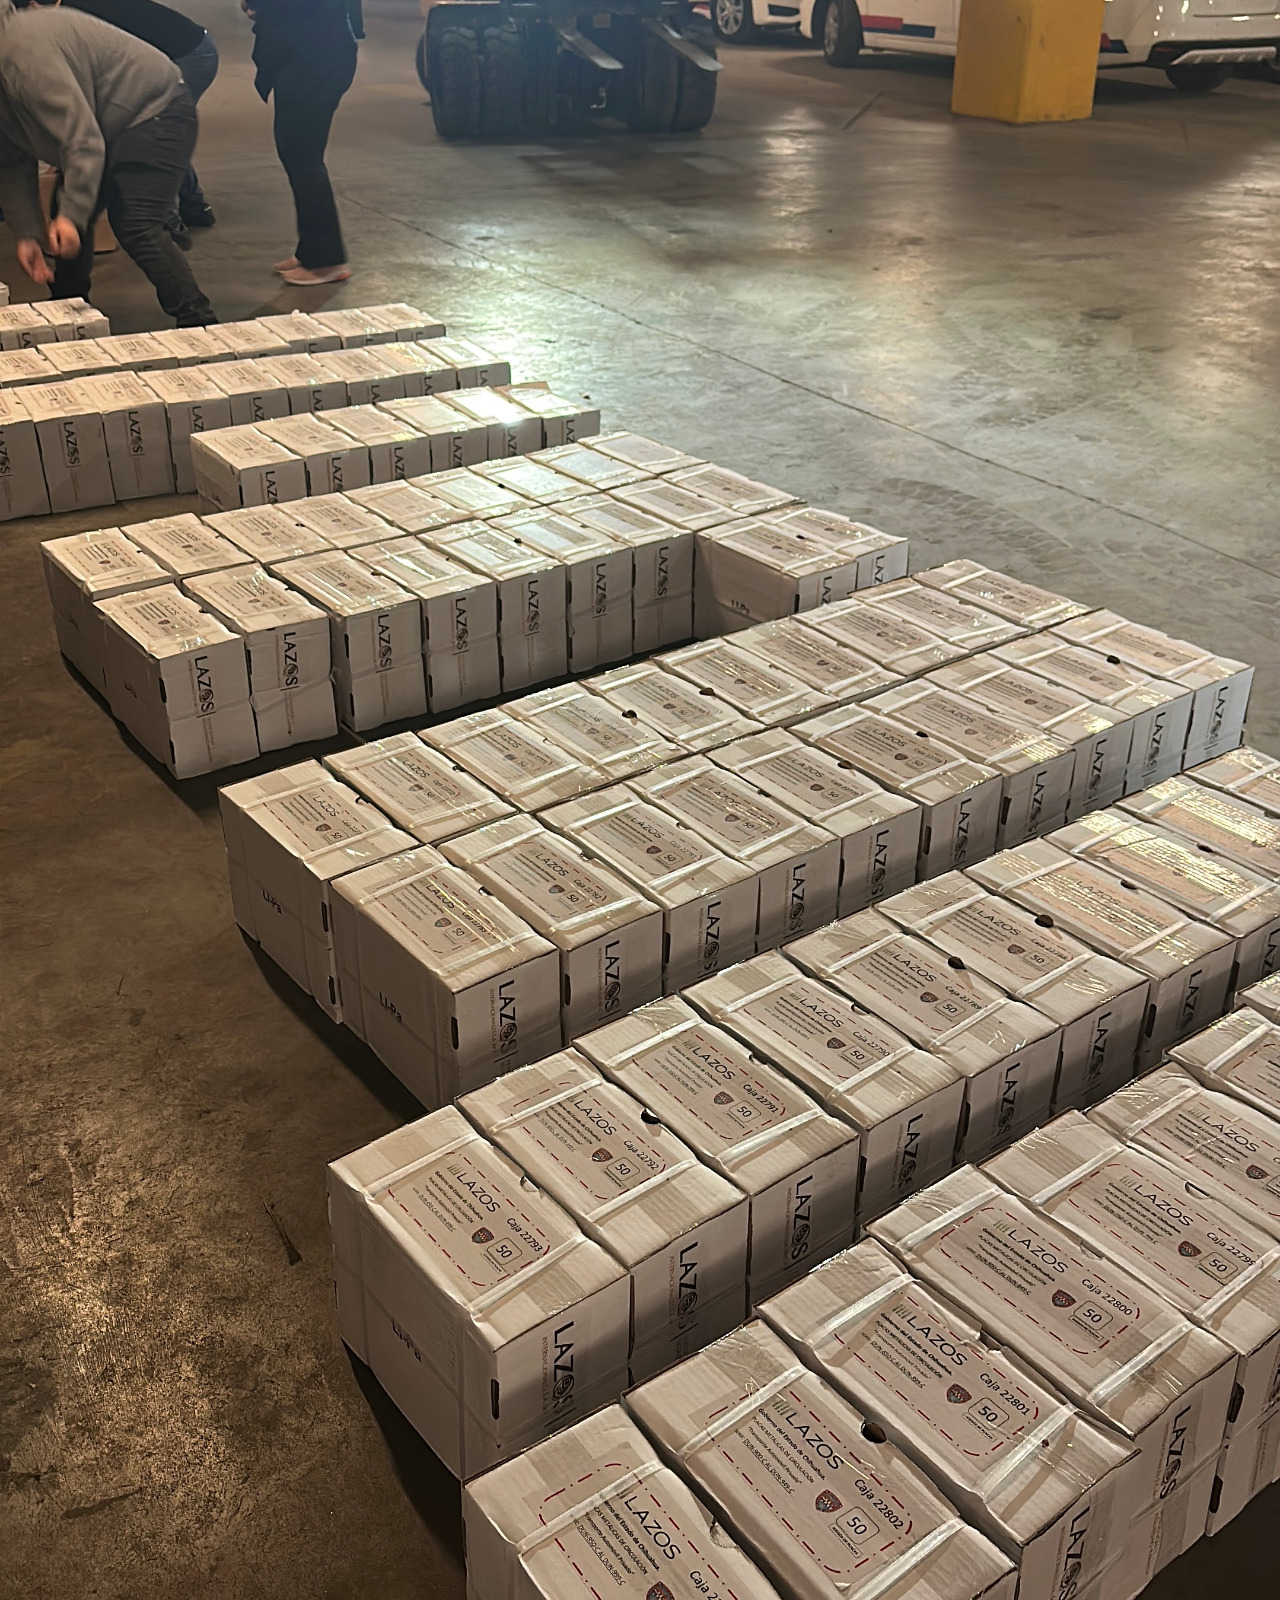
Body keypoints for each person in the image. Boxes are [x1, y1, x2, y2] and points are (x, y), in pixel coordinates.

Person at [0, 0, 217, 325]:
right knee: (67, 209)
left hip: (155, 109)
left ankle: (200, 322)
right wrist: (27, 233)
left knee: (135, 222)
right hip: (106, 123)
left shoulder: (23, 54)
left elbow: (82, 139)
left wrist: (73, 215)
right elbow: (10, 161)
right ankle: (68, 311)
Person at [17, 0, 220, 240]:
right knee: (163, 130)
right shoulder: (71, 9)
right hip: (191, 48)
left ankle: (167, 222)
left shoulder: (74, 14)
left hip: (189, 56)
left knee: (155, 134)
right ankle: (194, 207)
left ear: (33, 4)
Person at [248, 0, 362, 285]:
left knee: (303, 157)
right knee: (296, 153)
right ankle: (311, 251)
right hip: (306, 52)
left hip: (315, 56)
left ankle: (327, 260)